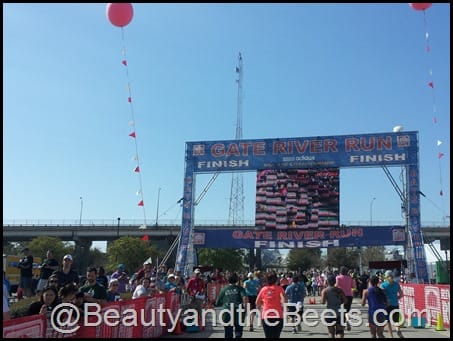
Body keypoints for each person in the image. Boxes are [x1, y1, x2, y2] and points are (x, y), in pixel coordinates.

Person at [215, 272, 248, 339]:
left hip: (227, 312)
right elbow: (244, 298)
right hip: (238, 311)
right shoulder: (240, 288)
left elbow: (217, 303)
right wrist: (245, 308)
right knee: (238, 332)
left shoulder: (224, 289)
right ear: (237, 280)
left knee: (228, 333)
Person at [256, 272, 288, 339]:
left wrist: (263, 303)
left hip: (266, 315)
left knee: (268, 336)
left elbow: (257, 302)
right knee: (276, 336)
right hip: (278, 315)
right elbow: (285, 300)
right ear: (276, 280)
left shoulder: (263, 289)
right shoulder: (280, 289)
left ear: (266, 280)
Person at [321, 274, 346, 339]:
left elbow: (323, 302)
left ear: (327, 282)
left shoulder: (325, 291)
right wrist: (340, 302)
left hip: (329, 313)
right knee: (340, 332)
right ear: (335, 281)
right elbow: (345, 301)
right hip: (339, 313)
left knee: (331, 332)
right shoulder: (340, 290)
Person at [381, 270, 404, 338]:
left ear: (386, 276)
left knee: (388, 321)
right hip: (395, 304)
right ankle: (398, 330)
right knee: (396, 321)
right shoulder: (397, 284)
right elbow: (401, 295)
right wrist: (396, 298)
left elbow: (382, 295)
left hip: (387, 305)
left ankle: (391, 336)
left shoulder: (383, 285)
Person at [335, 266, 356, 331]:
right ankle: (347, 321)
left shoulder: (338, 277)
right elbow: (353, 286)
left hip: (340, 295)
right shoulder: (350, 278)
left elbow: (336, 286)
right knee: (346, 311)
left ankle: (342, 324)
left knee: (340, 310)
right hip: (349, 295)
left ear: (340, 271)